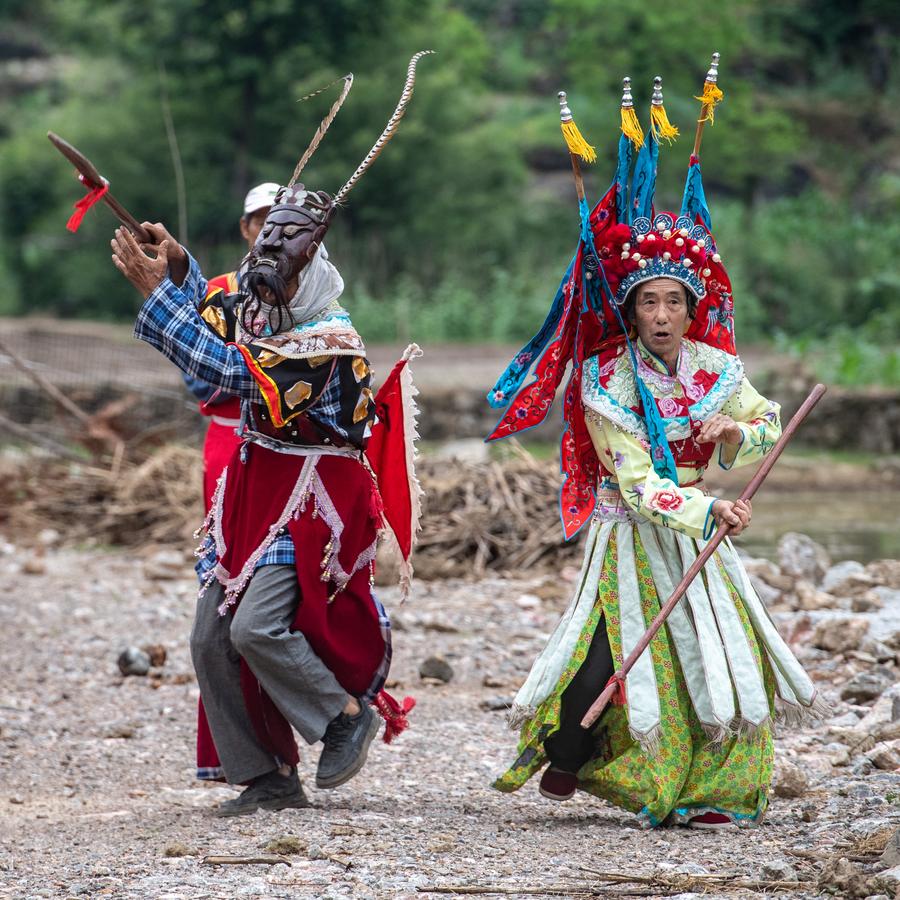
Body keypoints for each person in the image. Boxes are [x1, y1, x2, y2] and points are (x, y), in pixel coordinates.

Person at [487, 66, 825, 829]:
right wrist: (708, 508)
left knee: (719, 648)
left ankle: (717, 791)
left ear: (692, 306)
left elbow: (767, 420)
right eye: (649, 301)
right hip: (632, 538)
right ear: (632, 310)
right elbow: (636, 482)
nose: (664, 314)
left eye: (676, 301)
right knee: (610, 660)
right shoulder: (605, 380)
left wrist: (737, 433)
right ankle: (584, 758)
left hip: (705, 526)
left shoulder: (716, 369)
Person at [109, 56, 428, 816]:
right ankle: (267, 777)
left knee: (255, 625)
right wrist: (181, 269)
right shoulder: (270, 311)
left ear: (309, 272)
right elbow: (223, 323)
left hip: (314, 498)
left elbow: (225, 371)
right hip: (256, 487)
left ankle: (343, 718)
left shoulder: (328, 340)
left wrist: (157, 300)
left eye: (276, 274)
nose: (263, 286)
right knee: (209, 639)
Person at [183, 182, 280, 510]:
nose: (270, 231)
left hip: (290, 446)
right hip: (229, 438)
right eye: (261, 221)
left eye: (280, 222)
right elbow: (197, 376)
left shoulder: (312, 298)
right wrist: (252, 376)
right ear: (245, 227)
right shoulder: (218, 291)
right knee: (223, 542)